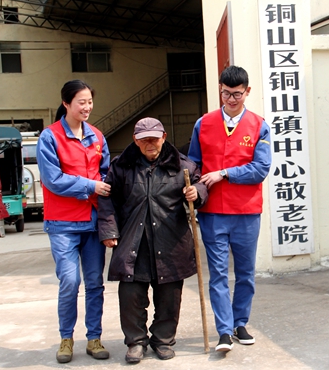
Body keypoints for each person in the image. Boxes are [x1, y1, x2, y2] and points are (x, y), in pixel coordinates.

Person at [97, 117, 208, 364]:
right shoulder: (121, 166)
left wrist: (196, 193)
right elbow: (107, 199)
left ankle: (163, 340)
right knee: (131, 295)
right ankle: (136, 342)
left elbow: (201, 186)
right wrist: (108, 230)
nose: (150, 144)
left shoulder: (183, 166)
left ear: (164, 137)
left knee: (169, 296)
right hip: (133, 241)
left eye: (154, 139)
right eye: (144, 140)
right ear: (135, 140)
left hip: (170, 240)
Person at [188, 65, 272, 352]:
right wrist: (192, 185)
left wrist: (224, 173)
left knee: (246, 273)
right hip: (212, 213)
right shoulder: (203, 124)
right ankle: (223, 331)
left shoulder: (259, 125)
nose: (231, 99)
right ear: (220, 90)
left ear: (247, 92)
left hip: (247, 212)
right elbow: (193, 165)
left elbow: (261, 169)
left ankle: (240, 323)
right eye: (226, 93)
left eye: (237, 94)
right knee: (219, 274)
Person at [36, 80, 111, 363]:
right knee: (69, 280)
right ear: (66, 103)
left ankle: (94, 338)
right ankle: (66, 338)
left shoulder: (97, 137)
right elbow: (52, 180)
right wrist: (90, 185)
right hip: (63, 223)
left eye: (90, 101)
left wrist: (104, 185)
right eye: (81, 102)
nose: (87, 107)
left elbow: (105, 173)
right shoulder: (49, 137)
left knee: (94, 282)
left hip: (92, 222)